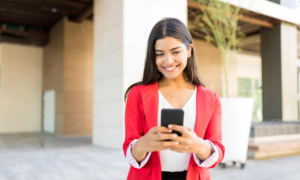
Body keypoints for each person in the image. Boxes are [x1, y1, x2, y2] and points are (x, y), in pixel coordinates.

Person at [123, 17, 225, 180]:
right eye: (160, 54)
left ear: (189, 50)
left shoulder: (210, 98)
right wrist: (144, 144)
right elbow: (130, 148)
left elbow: (218, 150)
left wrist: (199, 146)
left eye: (176, 52)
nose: (168, 60)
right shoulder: (137, 94)